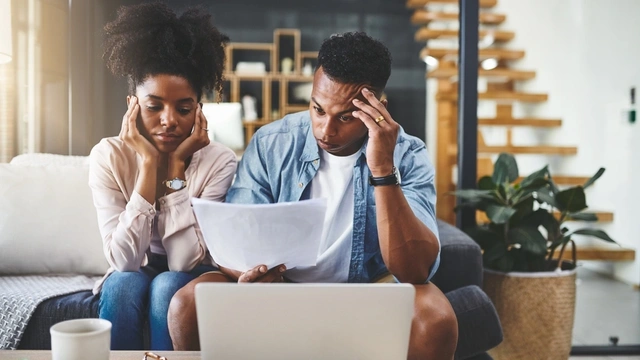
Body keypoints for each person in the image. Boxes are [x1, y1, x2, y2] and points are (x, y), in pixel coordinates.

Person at [168, 32, 458, 359]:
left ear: (377, 109)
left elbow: (416, 271)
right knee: (187, 303)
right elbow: (236, 244)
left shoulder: (409, 154)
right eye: (318, 109)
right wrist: (251, 274)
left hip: (369, 293)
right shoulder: (273, 142)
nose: (325, 130)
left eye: (345, 117)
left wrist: (382, 169)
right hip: (282, 289)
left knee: (436, 317)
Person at [88, 2, 237, 350]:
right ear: (132, 105)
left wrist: (177, 169)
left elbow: (184, 261)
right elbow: (125, 261)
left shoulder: (219, 161)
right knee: (124, 284)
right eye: (154, 106)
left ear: (198, 109)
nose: (169, 120)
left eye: (183, 109)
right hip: (133, 268)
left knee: (170, 284)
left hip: (191, 269)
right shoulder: (108, 156)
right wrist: (148, 165)